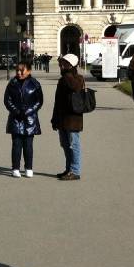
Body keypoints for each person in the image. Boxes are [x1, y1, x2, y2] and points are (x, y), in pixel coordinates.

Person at [3, 61, 43, 177]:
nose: (19, 73)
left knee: (28, 144)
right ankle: (15, 168)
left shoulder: (35, 84)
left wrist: (29, 111)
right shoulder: (12, 83)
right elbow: (7, 100)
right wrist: (16, 111)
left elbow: (39, 101)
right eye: (17, 70)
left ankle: (28, 168)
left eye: (22, 70)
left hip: (30, 119)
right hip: (15, 118)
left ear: (29, 71)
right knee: (16, 144)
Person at [50, 53, 85, 181]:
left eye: (64, 64)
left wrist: (68, 73)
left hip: (73, 118)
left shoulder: (77, 78)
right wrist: (54, 119)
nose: (61, 66)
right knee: (65, 144)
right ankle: (68, 168)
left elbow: (74, 87)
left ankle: (75, 171)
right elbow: (57, 101)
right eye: (61, 64)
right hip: (62, 117)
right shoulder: (63, 79)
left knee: (73, 144)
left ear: (71, 65)